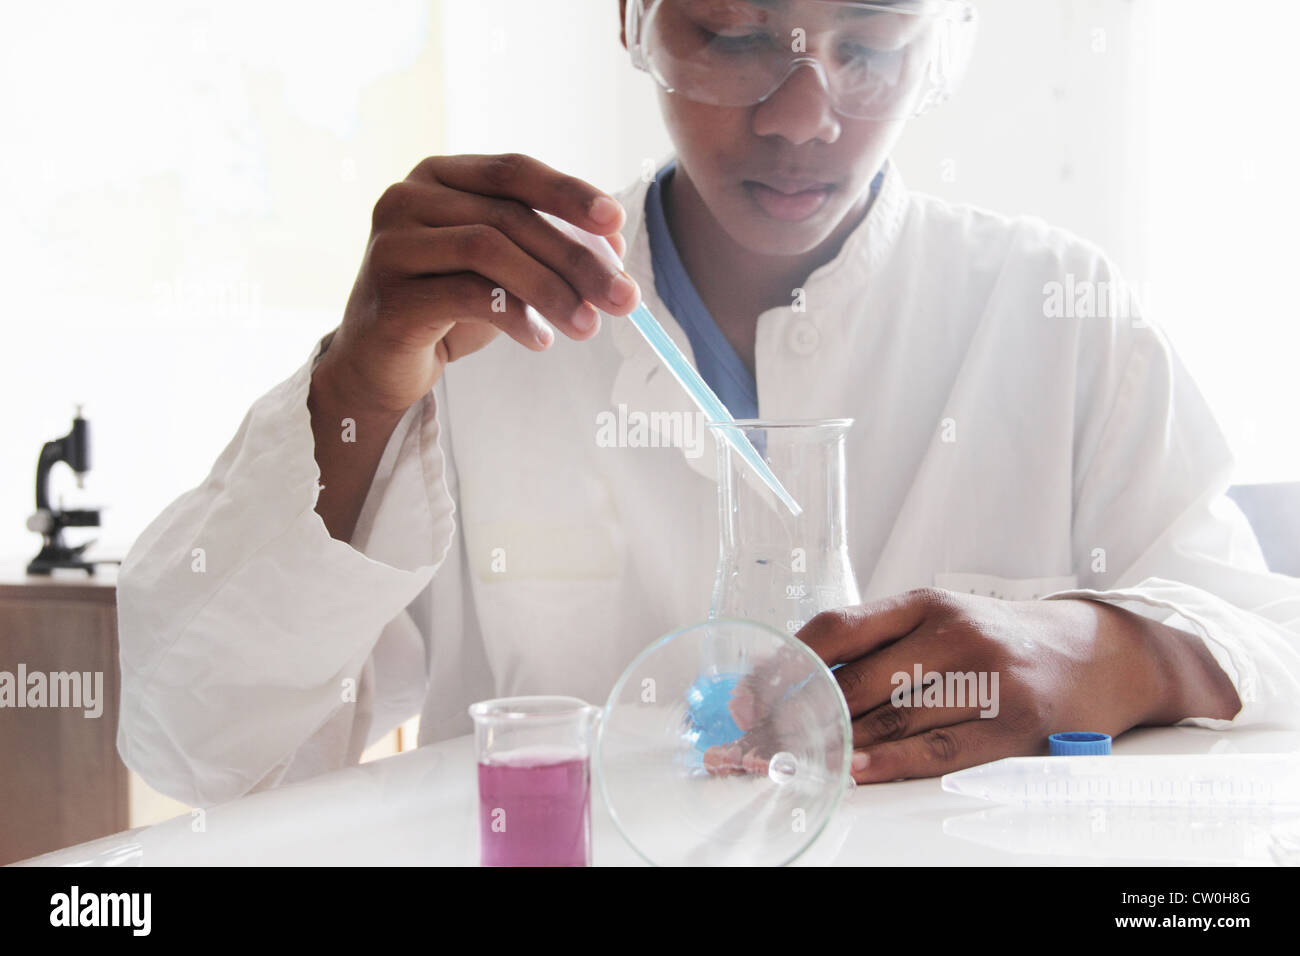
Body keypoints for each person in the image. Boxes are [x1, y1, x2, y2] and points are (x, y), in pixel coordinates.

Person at [117, 0, 1300, 807]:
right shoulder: (479, 327)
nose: (801, 113)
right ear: (632, 20)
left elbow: (1266, 640)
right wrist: (358, 385)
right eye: (731, 36)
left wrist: (1112, 649)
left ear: (945, 40)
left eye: (871, 43)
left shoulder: (1053, 309)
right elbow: (192, 733)